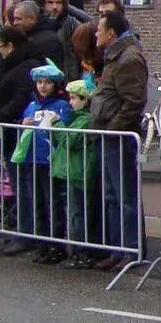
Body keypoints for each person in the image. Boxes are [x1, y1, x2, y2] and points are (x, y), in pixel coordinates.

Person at [88, 9, 149, 273]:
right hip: (108, 136)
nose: (96, 34)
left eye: (99, 30)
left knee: (125, 196)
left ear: (111, 33)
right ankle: (117, 248)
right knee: (113, 196)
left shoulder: (128, 58)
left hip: (119, 138)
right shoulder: (116, 55)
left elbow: (133, 102)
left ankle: (131, 249)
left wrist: (113, 129)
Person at [15, 62, 72, 261]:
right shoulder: (32, 106)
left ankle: (56, 245)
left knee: (52, 202)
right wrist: (23, 124)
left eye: (47, 82)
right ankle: (42, 243)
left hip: (50, 160)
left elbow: (65, 127)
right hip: (32, 160)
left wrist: (57, 121)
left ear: (55, 85)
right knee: (37, 201)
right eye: (39, 82)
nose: (42, 86)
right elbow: (23, 127)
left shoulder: (61, 105)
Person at [52, 79, 101, 268]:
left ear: (85, 100)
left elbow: (71, 139)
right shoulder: (76, 117)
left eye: (73, 98)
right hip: (75, 170)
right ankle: (78, 250)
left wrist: (55, 124)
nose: (70, 102)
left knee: (79, 212)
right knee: (75, 211)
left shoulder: (85, 120)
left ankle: (81, 252)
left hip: (81, 171)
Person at [36, 0, 91, 83]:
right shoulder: (36, 23)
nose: (55, 6)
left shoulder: (71, 23)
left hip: (69, 79)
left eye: (59, 2)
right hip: (44, 80)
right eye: (50, 2)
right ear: (42, 4)